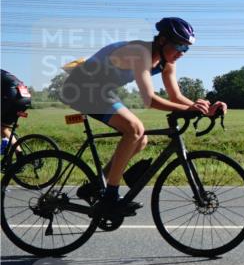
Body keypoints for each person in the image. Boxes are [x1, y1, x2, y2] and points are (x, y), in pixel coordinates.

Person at [59, 18, 226, 218]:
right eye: (179, 45)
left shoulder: (167, 63)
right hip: (80, 88)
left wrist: (204, 109)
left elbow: (176, 97)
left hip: (101, 90)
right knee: (134, 128)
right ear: (163, 40)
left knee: (141, 139)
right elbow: (149, 99)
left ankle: (96, 186)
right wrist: (189, 109)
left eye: (186, 48)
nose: (182, 53)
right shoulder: (140, 53)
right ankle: (110, 196)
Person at [1, 69, 33, 155]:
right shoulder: (4, 73)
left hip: (14, 97)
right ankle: (19, 157)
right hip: (25, 98)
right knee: (3, 128)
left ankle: (5, 147)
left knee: (2, 127)